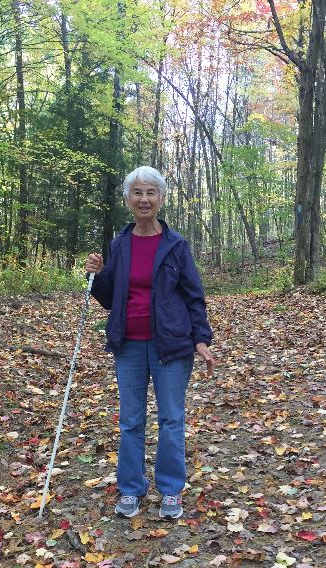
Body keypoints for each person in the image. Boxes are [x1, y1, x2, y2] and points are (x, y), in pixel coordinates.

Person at [85, 166, 214, 519]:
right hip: (129, 345)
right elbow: (110, 297)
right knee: (130, 420)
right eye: (138, 193)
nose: (144, 199)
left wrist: (201, 339)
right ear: (128, 199)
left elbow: (194, 296)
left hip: (171, 347)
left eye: (150, 193)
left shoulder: (176, 245)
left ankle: (171, 491)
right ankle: (131, 488)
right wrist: (95, 275)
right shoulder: (120, 244)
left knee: (171, 419)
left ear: (161, 199)